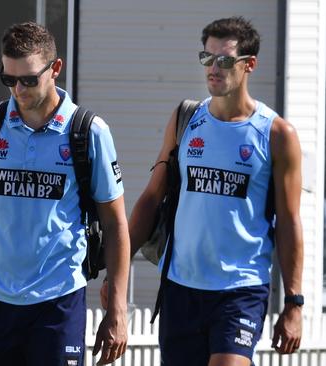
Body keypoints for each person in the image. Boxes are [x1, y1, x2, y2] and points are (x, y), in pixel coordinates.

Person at [0, 21, 130, 366]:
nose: (18, 89)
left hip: (58, 303)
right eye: (8, 79)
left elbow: (116, 224)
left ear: (55, 68)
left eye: (29, 79)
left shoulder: (88, 132)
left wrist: (117, 307)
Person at [121, 16, 304, 366]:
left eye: (223, 60)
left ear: (249, 65)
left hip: (241, 289)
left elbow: (290, 221)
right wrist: (118, 269)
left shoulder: (277, 134)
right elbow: (150, 197)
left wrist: (294, 302)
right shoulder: (185, 118)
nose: (213, 69)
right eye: (207, 58)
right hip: (180, 287)